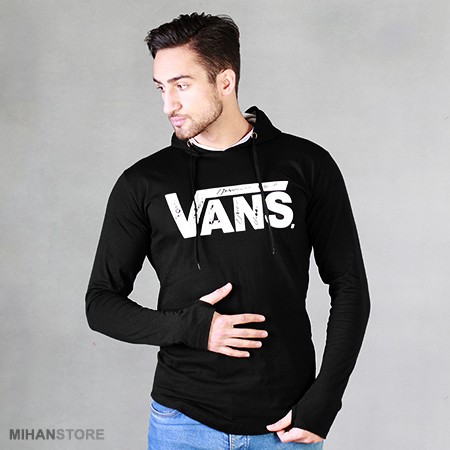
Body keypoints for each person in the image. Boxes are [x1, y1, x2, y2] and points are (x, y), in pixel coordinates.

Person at [85, 12, 370, 450]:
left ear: (225, 81)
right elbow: (100, 304)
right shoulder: (143, 183)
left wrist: (325, 399)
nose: (168, 105)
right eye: (161, 88)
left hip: (286, 424)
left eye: (182, 85)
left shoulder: (306, 165)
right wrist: (189, 327)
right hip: (183, 423)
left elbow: (350, 287)